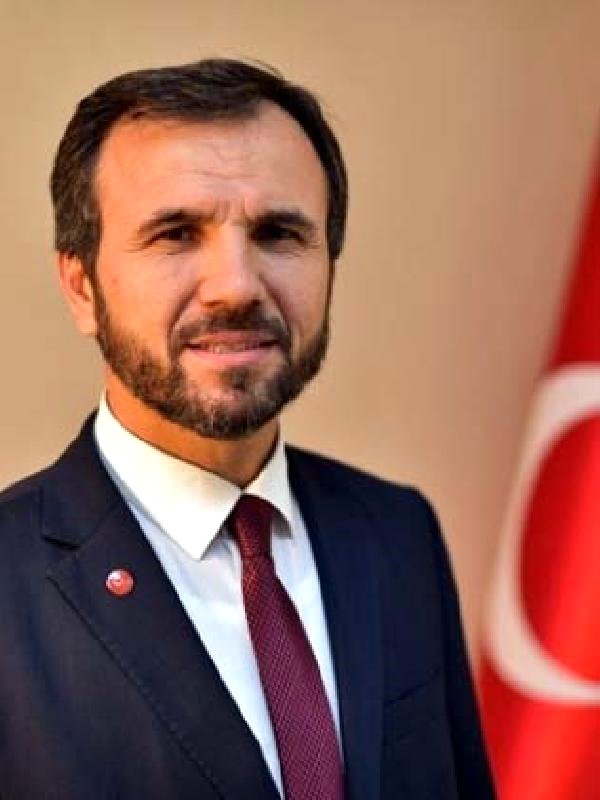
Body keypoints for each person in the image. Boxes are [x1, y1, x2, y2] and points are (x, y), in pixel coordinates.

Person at [0, 59, 495, 800]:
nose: (235, 286)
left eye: (279, 233)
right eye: (175, 234)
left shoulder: (397, 534)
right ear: (81, 287)